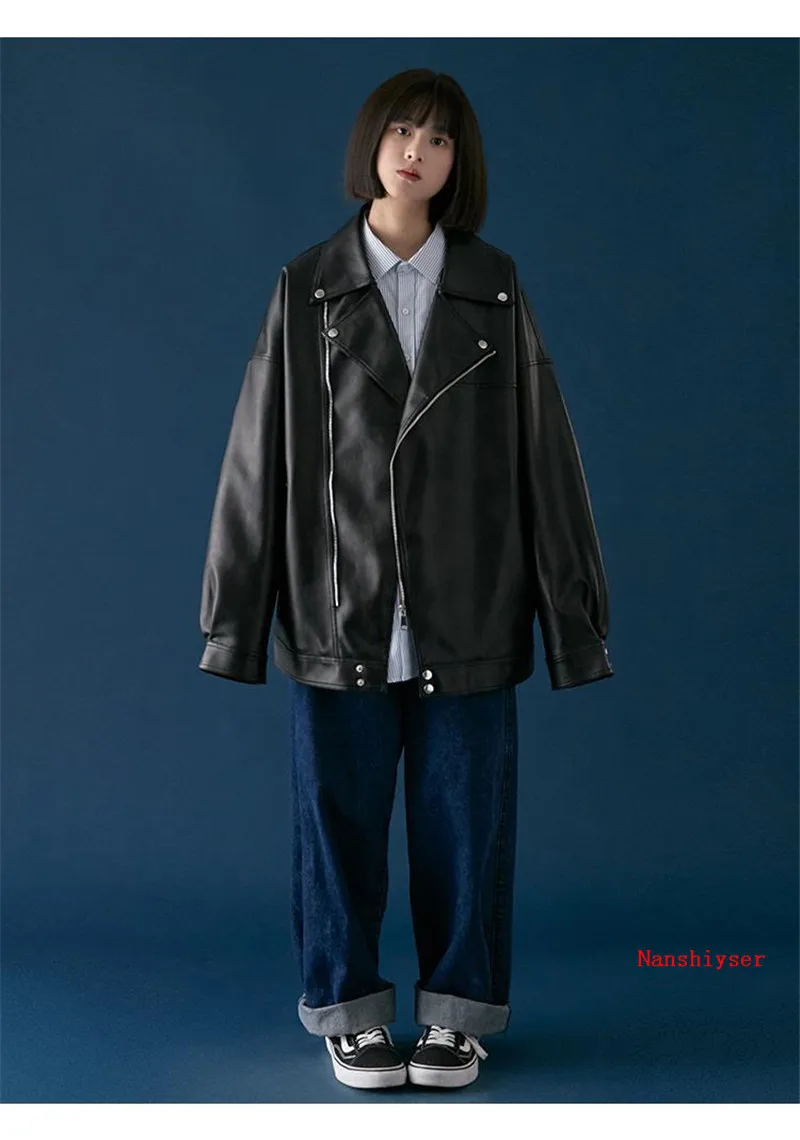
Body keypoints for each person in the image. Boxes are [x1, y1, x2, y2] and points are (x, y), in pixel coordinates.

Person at [198, 68, 614, 1091]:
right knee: (334, 829)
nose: (416, 152)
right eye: (400, 131)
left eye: (438, 138)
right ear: (370, 147)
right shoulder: (307, 285)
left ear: (458, 162)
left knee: (465, 829)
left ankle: (457, 1016)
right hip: (337, 609)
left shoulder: (492, 284)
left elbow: (545, 458)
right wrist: (234, 622)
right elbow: (257, 457)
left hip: (467, 612)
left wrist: (573, 625)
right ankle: (347, 1009)